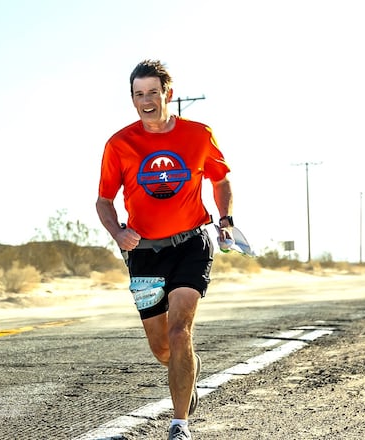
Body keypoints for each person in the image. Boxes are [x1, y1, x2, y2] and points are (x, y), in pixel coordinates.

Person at [95, 59, 233, 440]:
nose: (146, 101)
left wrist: (225, 220)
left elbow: (220, 181)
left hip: (190, 243)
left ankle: (179, 425)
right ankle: (186, 369)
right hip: (143, 252)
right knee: (162, 349)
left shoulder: (199, 135)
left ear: (167, 94)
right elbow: (104, 201)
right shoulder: (120, 144)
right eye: (138, 95)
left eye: (153, 93)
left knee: (179, 332)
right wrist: (117, 232)